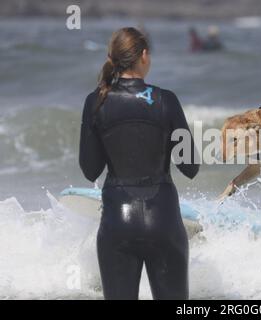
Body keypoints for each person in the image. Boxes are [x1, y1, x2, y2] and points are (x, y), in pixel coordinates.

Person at [79, 27, 199, 300]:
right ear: (144, 55)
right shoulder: (166, 100)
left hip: (117, 224)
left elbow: (90, 170)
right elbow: (190, 167)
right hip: (164, 221)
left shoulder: (94, 102)